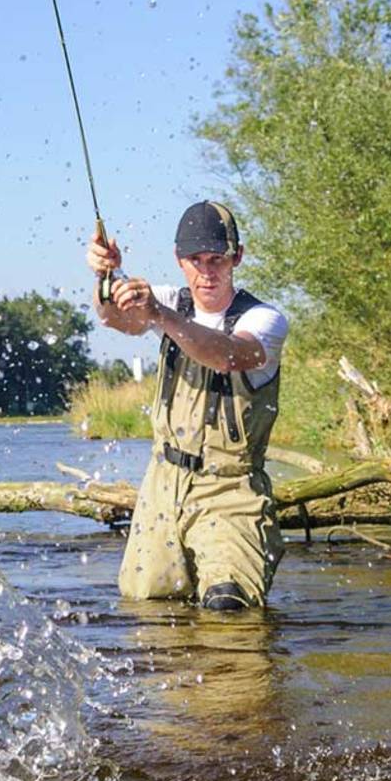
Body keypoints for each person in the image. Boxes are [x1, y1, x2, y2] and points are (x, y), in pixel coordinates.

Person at [86, 201, 288, 611]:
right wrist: (106, 278)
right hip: (162, 484)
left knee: (229, 605)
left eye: (217, 259)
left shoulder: (265, 320)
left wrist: (159, 314)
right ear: (180, 261)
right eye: (195, 260)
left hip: (231, 488)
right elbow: (114, 318)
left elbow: (228, 355)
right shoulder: (167, 300)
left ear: (238, 258)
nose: (207, 272)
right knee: (149, 606)